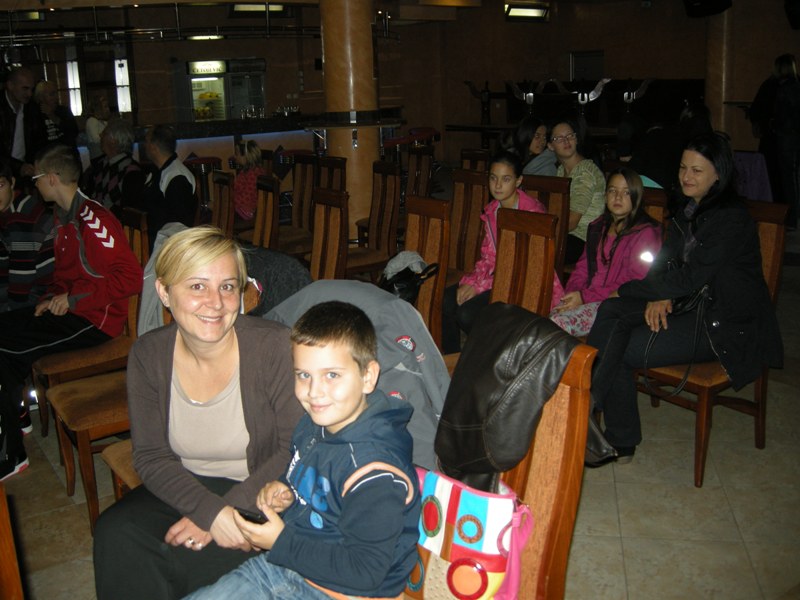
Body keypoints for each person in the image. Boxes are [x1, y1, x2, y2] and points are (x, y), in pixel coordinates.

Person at [93, 226, 304, 600]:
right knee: (117, 535)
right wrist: (211, 512)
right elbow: (151, 456)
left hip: (262, 489)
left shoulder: (273, 346)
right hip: (187, 483)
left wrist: (231, 510)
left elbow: (294, 449)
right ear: (164, 292)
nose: (216, 303)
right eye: (197, 286)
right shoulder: (148, 354)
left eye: (227, 286)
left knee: (187, 562)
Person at [185, 300, 421, 600]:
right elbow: (307, 476)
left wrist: (282, 542)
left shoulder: (373, 472)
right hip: (291, 565)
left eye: (332, 375)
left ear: (368, 377)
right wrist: (284, 488)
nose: (314, 392)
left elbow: (366, 571)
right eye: (303, 375)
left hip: (340, 592)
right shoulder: (315, 424)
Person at [586, 132, 783, 463]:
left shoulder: (731, 218)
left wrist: (636, 289)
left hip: (723, 324)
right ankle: (588, 407)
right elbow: (664, 261)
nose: (686, 176)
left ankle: (612, 433)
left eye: (696, 170)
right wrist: (658, 293)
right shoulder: (689, 208)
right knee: (611, 310)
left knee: (621, 347)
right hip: (688, 303)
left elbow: (691, 276)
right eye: (682, 168)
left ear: (718, 174)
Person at [0, 144, 142, 480]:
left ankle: (11, 451)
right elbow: (64, 275)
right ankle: (14, 421)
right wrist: (52, 297)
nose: (33, 184)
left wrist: (73, 300)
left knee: (5, 347)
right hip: (76, 311)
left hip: (96, 321)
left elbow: (131, 278)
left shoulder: (93, 218)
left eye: (36, 178)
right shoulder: (63, 217)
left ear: (51, 178)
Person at [441, 150, 564, 354]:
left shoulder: (532, 214)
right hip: (499, 276)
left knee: (467, 314)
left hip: (525, 282)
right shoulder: (492, 210)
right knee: (446, 300)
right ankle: (453, 359)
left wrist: (479, 287)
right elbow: (488, 256)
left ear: (518, 181)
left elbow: (522, 267)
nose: (497, 185)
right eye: (493, 178)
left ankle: (493, 355)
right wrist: (471, 282)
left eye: (506, 179)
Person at [550, 167, 662, 337]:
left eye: (626, 192)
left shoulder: (645, 234)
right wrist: (573, 294)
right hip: (588, 297)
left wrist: (585, 297)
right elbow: (582, 268)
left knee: (558, 325)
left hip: (616, 304)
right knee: (546, 319)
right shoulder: (598, 227)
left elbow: (634, 280)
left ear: (636, 197)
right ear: (605, 196)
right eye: (612, 191)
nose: (618, 197)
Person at [548, 118, 607, 264]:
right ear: (550, 146)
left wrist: (542, 230)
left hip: (586, 239)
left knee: (536, 249)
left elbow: (572, 222)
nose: (566, 141)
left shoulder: (585, 172)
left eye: (570, 135)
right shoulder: (561, 170)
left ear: (576, 139)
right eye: (559, 138)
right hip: (569, 236)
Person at [0, 158, 55, 313]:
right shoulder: (8, 210)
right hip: (31, 289)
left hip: (44, 295)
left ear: (12, 182)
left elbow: (22, 280)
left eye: (0, 185)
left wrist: (9, 315)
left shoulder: (21, 217)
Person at [142, 124, 197, 247]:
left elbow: (179, 226)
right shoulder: (157, 171)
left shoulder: (177, 178)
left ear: (154, 147)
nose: (144, 146)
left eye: (146, 141)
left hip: (167, 245)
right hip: (153, 238)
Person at [86, 118, 145, 216]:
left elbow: (129, 211)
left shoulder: (132, 173)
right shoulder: (100, 165)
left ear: (113, 141)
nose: (100, 136)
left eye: (104, 134)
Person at [0, 67, 40, 181]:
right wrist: (18, 167)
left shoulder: (32, 109)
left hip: (26, 172)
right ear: (10, 85)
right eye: (25, 88)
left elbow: (38, 141)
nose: (29, 94)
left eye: (32, 89)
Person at [33, 79, 78, 148]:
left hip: (66, 152)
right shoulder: (35, 115)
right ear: (41, 97)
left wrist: (52, 116)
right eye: (51, 94)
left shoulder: (64, 111)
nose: (56, 97)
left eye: (56, 93)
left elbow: (73, 132)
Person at [231, 140, 266, 224]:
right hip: (241, 208)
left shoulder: (253, 174)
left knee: (222, 214)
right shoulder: (246, 171)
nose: (235, 156)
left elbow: (246, 198)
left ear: (246, 156)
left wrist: (230, 202)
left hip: (247, 211)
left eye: (237, 154)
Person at [84, 94, 111, 160]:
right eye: (105, 106)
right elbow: (96, 139)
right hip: (98, 156)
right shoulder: (91, 121)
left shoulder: (103, 122)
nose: (107, 109)